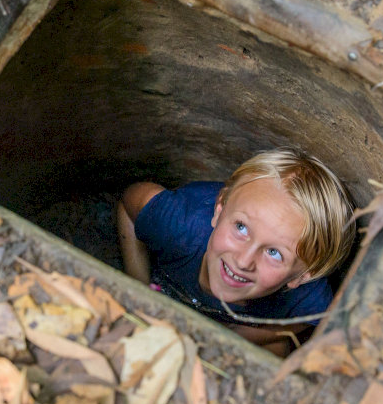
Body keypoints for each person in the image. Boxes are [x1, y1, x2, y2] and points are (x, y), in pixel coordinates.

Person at [116, 148, 356, 356]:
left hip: (228, 322)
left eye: (274, 253)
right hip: (167, 285)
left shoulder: (307, 296)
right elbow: (131, 202)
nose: (243, 261)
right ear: (219, 210)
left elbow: (311, 317)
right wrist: (138, 288)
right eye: (241, 228)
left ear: (302, 276)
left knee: (277, 349)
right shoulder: (180, 225)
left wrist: (229, 335)